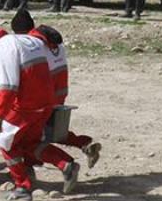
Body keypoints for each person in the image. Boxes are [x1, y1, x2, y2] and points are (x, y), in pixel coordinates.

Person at [0, 17, 79, 201]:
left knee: (5, 143)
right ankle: (65, 164)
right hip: (46, 101)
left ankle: (23, 187)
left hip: (26, 105)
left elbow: (8, 86)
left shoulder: (3, 48)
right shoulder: (28, 40)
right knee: (29, 144)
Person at [10, 10, 102, 169]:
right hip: (59, 92)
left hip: (45, 95)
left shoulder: (34, 44)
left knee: (34, 134)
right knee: (51, 127)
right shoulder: (51, 41)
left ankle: (34, 164)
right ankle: (85, 144)